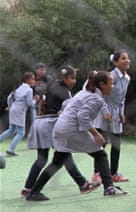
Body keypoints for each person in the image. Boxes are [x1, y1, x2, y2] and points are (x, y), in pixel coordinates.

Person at [26, 71, 128, 201]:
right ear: (102, 84)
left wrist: (106, 112)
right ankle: (109, 188)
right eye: (111, 83)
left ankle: (33, 192)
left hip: (60, 128)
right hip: (72, 130)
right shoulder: (95, 98)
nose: (113, 86)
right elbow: (82, 117)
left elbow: (72, 107)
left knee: (57, 161)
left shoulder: (85, 93)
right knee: (100, 154)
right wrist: (96, 134)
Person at [22, 66, 99, 197]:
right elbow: (66, 111)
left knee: (43, 159)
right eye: (71, 78)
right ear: (63, 78)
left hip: (40, 122)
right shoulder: (65, 92)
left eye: (74, 78)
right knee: (64, 155)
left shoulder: (51, 85)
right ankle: (83, 184)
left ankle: (27, 188)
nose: (74, 81)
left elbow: (43, 103)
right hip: (51, 124)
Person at [91, 50, 131, 183]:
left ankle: (114, 173)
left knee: (116, 144)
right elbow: (99, 94)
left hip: (116, 112)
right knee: (102, 142)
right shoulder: (110, 75)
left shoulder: (127, 78)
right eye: (123, 58)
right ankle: (97, 174)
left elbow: (122, 98)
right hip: (104, 111)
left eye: (127, 58)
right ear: (115, 62)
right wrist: (105, 111)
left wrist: (121, 112)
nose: (127, 61)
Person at [0, 72, 35, 156]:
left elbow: (9, 97)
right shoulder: (29, 90)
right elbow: (29, 103)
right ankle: (10, 149)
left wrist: (10, 106)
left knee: (11, 129)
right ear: (27, 80)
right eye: (33, 79)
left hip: (13, 109)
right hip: (20, 111)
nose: (34, 81)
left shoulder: (19, 88)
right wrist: (35, 101)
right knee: (21, 132)